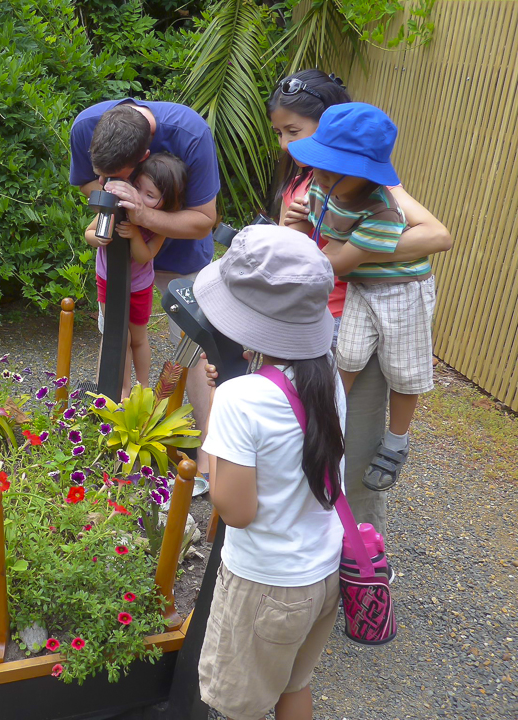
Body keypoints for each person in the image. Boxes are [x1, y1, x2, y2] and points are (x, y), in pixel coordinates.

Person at [267, 69, 452, 535]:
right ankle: (315, 531)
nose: (287, 145)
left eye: (295, 132)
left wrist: (359, 252)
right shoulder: (314, 181)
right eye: (281, 134)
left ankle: (366, 558)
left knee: (359, 441)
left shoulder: (377, 198)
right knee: (319, 431)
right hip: (312, 318)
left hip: (363, 305)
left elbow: (436, 236)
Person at [194, 225, 344, 720]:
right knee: (292, 687)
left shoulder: (240, 399)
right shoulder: (326, 374)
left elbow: (235, 510)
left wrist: (218, 408)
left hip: (266, 587)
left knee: (233, 706)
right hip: (322, 571)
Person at [70, 99, 219, 487]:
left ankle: (208, 456)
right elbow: (89, 187)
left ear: (143, 159)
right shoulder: (87, 125)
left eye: (117, 177)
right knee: (114, 332)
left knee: (195, 345)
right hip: (119, 257)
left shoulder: (191, 134)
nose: (108, 184)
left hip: (180, 245)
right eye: (103, 175)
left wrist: (142, 217)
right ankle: (110, 418)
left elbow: (204, 221)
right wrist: (110, 213)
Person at [287, 102, 435, 493]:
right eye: (320, 161)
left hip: (400, 290)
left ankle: (397, 441)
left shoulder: (380, 210)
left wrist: (287, 257)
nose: (320, 172)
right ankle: (326, 421)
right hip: (362, 286)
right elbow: (324, 232)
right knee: (347, 354)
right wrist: (300, 222)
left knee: (404, 372)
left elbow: (336, 262)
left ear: (362, 171)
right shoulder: (321, 181)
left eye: (333, 166)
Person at [84, 152, 187, 398]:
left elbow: (145, 256)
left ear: (167, 203)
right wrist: (99, 238)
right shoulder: (114, 206)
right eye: (138, 187)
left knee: (138, 338)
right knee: (118, 334)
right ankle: (122, 389)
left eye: (150, 195)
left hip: (138, 286)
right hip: (108, 280)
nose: (139, 198)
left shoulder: (160, 223)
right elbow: (89, 233)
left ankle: (143, 387)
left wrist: (135, 234)